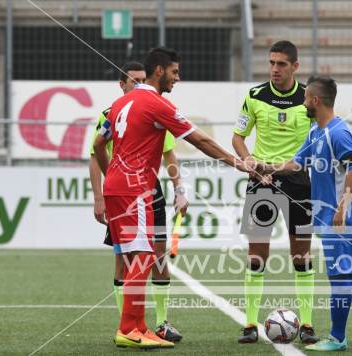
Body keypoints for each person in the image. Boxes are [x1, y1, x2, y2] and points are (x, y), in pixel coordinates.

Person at [93, 47, 249, 349]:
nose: (178, 78)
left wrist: (111, 172)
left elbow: (100, 143)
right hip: (135, 188)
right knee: (142, 256)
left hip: (119, 186)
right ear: (160, 71)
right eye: (175, 72)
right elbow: (200, 139)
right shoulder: (156, 104)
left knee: (139, 255)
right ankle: (128, 329)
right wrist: (240, 164)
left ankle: (138, 325)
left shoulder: (119, 102)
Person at [262, 75, 352, 351]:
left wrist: (342, 207)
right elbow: (296, 163)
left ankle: (338, 338)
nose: (303, 101)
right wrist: (266, 168)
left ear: (315, 101)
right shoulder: (315, 132)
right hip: (330, 218)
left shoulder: (337, 132)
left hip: (342, 218)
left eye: (306, 97)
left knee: (340, 275)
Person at [88, 61, 183, 343]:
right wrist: (100, 195)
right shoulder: (111, 112)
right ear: (122, 84)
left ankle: (157, 324)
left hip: (149, 189)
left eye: (143, 79)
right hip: (126, 191)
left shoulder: (153, 108)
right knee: (126, 258)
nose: (140, 84)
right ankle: (128, 326)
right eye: (134, 80)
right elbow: (96, 153)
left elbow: (169, 155)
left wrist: (179, 188)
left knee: (157, 255)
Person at [232, 40, 318, 344]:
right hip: (260, 181)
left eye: (281, 64)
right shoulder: (254, 96)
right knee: (257, 255)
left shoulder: (309, 98)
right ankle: (249, 324)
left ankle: (306, 324)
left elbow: (320, 139)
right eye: (271, 63)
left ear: (295, 66)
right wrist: (249, 162)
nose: (275, 69)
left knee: (301, 256)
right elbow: (238, 138)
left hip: (298, 181)